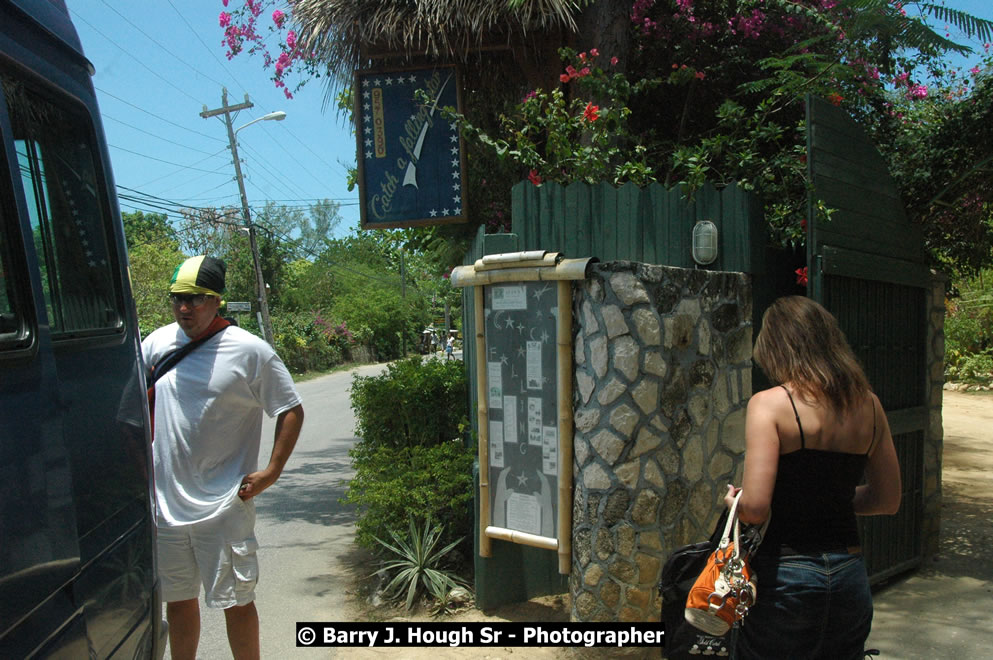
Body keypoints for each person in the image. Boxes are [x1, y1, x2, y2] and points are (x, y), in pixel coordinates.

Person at [142, 255, 304, 660]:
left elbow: (290, 409)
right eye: (178, 298)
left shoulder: (250, 351)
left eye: (196, 299)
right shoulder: (157, 344)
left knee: (236, 602)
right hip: (165, 506)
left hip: (225, 503)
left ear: (217, 301)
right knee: (177, 601)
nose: (185, 308)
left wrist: (271, 472)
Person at [725, 296, 901, 660]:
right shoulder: (869, 405)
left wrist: (734, 502)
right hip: (849, 573)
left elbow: (755, 509)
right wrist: (829, 497)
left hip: (785, 575)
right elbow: (887, 499)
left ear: (776, 347)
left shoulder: (770, 404)